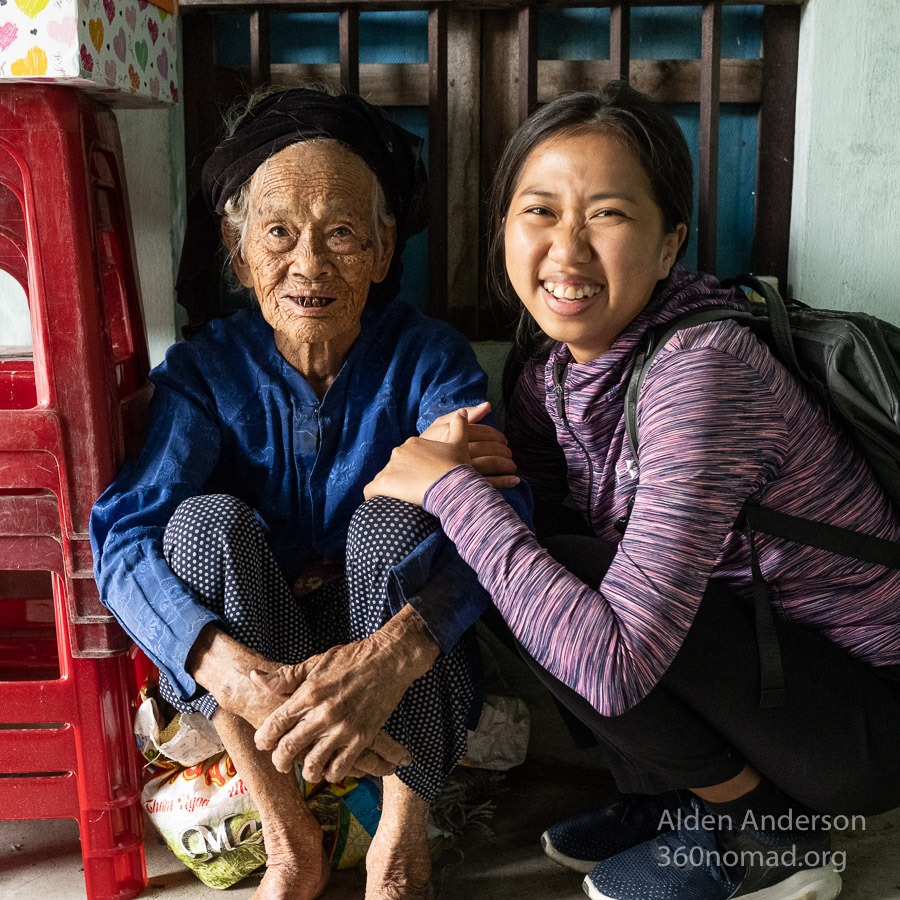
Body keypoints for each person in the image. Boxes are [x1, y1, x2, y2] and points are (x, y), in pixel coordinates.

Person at [364, 81, 900, 900]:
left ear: (667, 244)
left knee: (553, 568)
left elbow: (613, 666)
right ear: (504, 228)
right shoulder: (550, 374)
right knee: (527, 557)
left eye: (607, 215)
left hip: (866, 716)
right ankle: (671, 798)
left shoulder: (704, 372)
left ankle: (767, 840)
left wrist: (448, 490)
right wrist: (468, 466)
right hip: (763, 671)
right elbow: (527, 534)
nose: (567, 251)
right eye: (539, 211)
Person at [90, 86, 522, 900]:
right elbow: (123, 536)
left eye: (344, 234)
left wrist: (389, 659)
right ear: (238, 244)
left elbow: (499, 520)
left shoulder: (431, 360)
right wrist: (237, 675)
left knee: (394, 524)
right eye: (280, 232)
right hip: (265, 657)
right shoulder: (203, 371)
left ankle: (400, 844)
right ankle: (290, 839)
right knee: (201, 526)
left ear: (385, 250)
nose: (310, 264)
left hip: (401, 658)